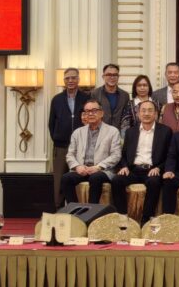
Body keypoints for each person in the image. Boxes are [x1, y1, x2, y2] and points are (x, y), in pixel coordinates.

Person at [111, 100, 172, 222]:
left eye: (150, 110)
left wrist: (158, 168)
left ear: (156, 114)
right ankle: (122, 217)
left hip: (152, 169)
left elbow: (170, 155)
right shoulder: (131, 132)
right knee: (117, 180)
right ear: (138, 114)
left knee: (154, 182)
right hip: (133, 169)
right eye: (143, 111)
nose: (146, 113)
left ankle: (146, 219)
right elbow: (123, 154)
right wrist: (124, 166)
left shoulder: (165, 131)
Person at [61, 101, 122, 206]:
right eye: (87, 111)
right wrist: (77, 167)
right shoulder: (77, 132)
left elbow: (116, 155)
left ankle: (91, 211)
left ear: (101, 113)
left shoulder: (112, 131)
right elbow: (70, 154)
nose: (90, 114)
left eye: (94, 111)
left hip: (102, 170)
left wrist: (98, 167)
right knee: (66, 178)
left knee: (95, 178)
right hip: (82, 169)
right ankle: (74, 209)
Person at [49, 68, 89, 206]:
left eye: (73, 78)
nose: (70, 80)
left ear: (78, 79)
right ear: (63, 81)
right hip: (61, 147)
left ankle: (78, 209)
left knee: (78, 178)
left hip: (81, 146)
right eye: (67, 78)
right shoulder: (57, 99)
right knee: (59, 180)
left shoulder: (86, 98)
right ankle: (59, 209)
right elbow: (51, 123)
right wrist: (57, 137)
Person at [90, 63, 131, 131]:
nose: (112, 77)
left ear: (118, 77)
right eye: (109, 74)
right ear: (103, 76)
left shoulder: (125, 95)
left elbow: (126, 118)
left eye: (115, 75)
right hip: (100, 132)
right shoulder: (95, 94)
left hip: (118, 133)